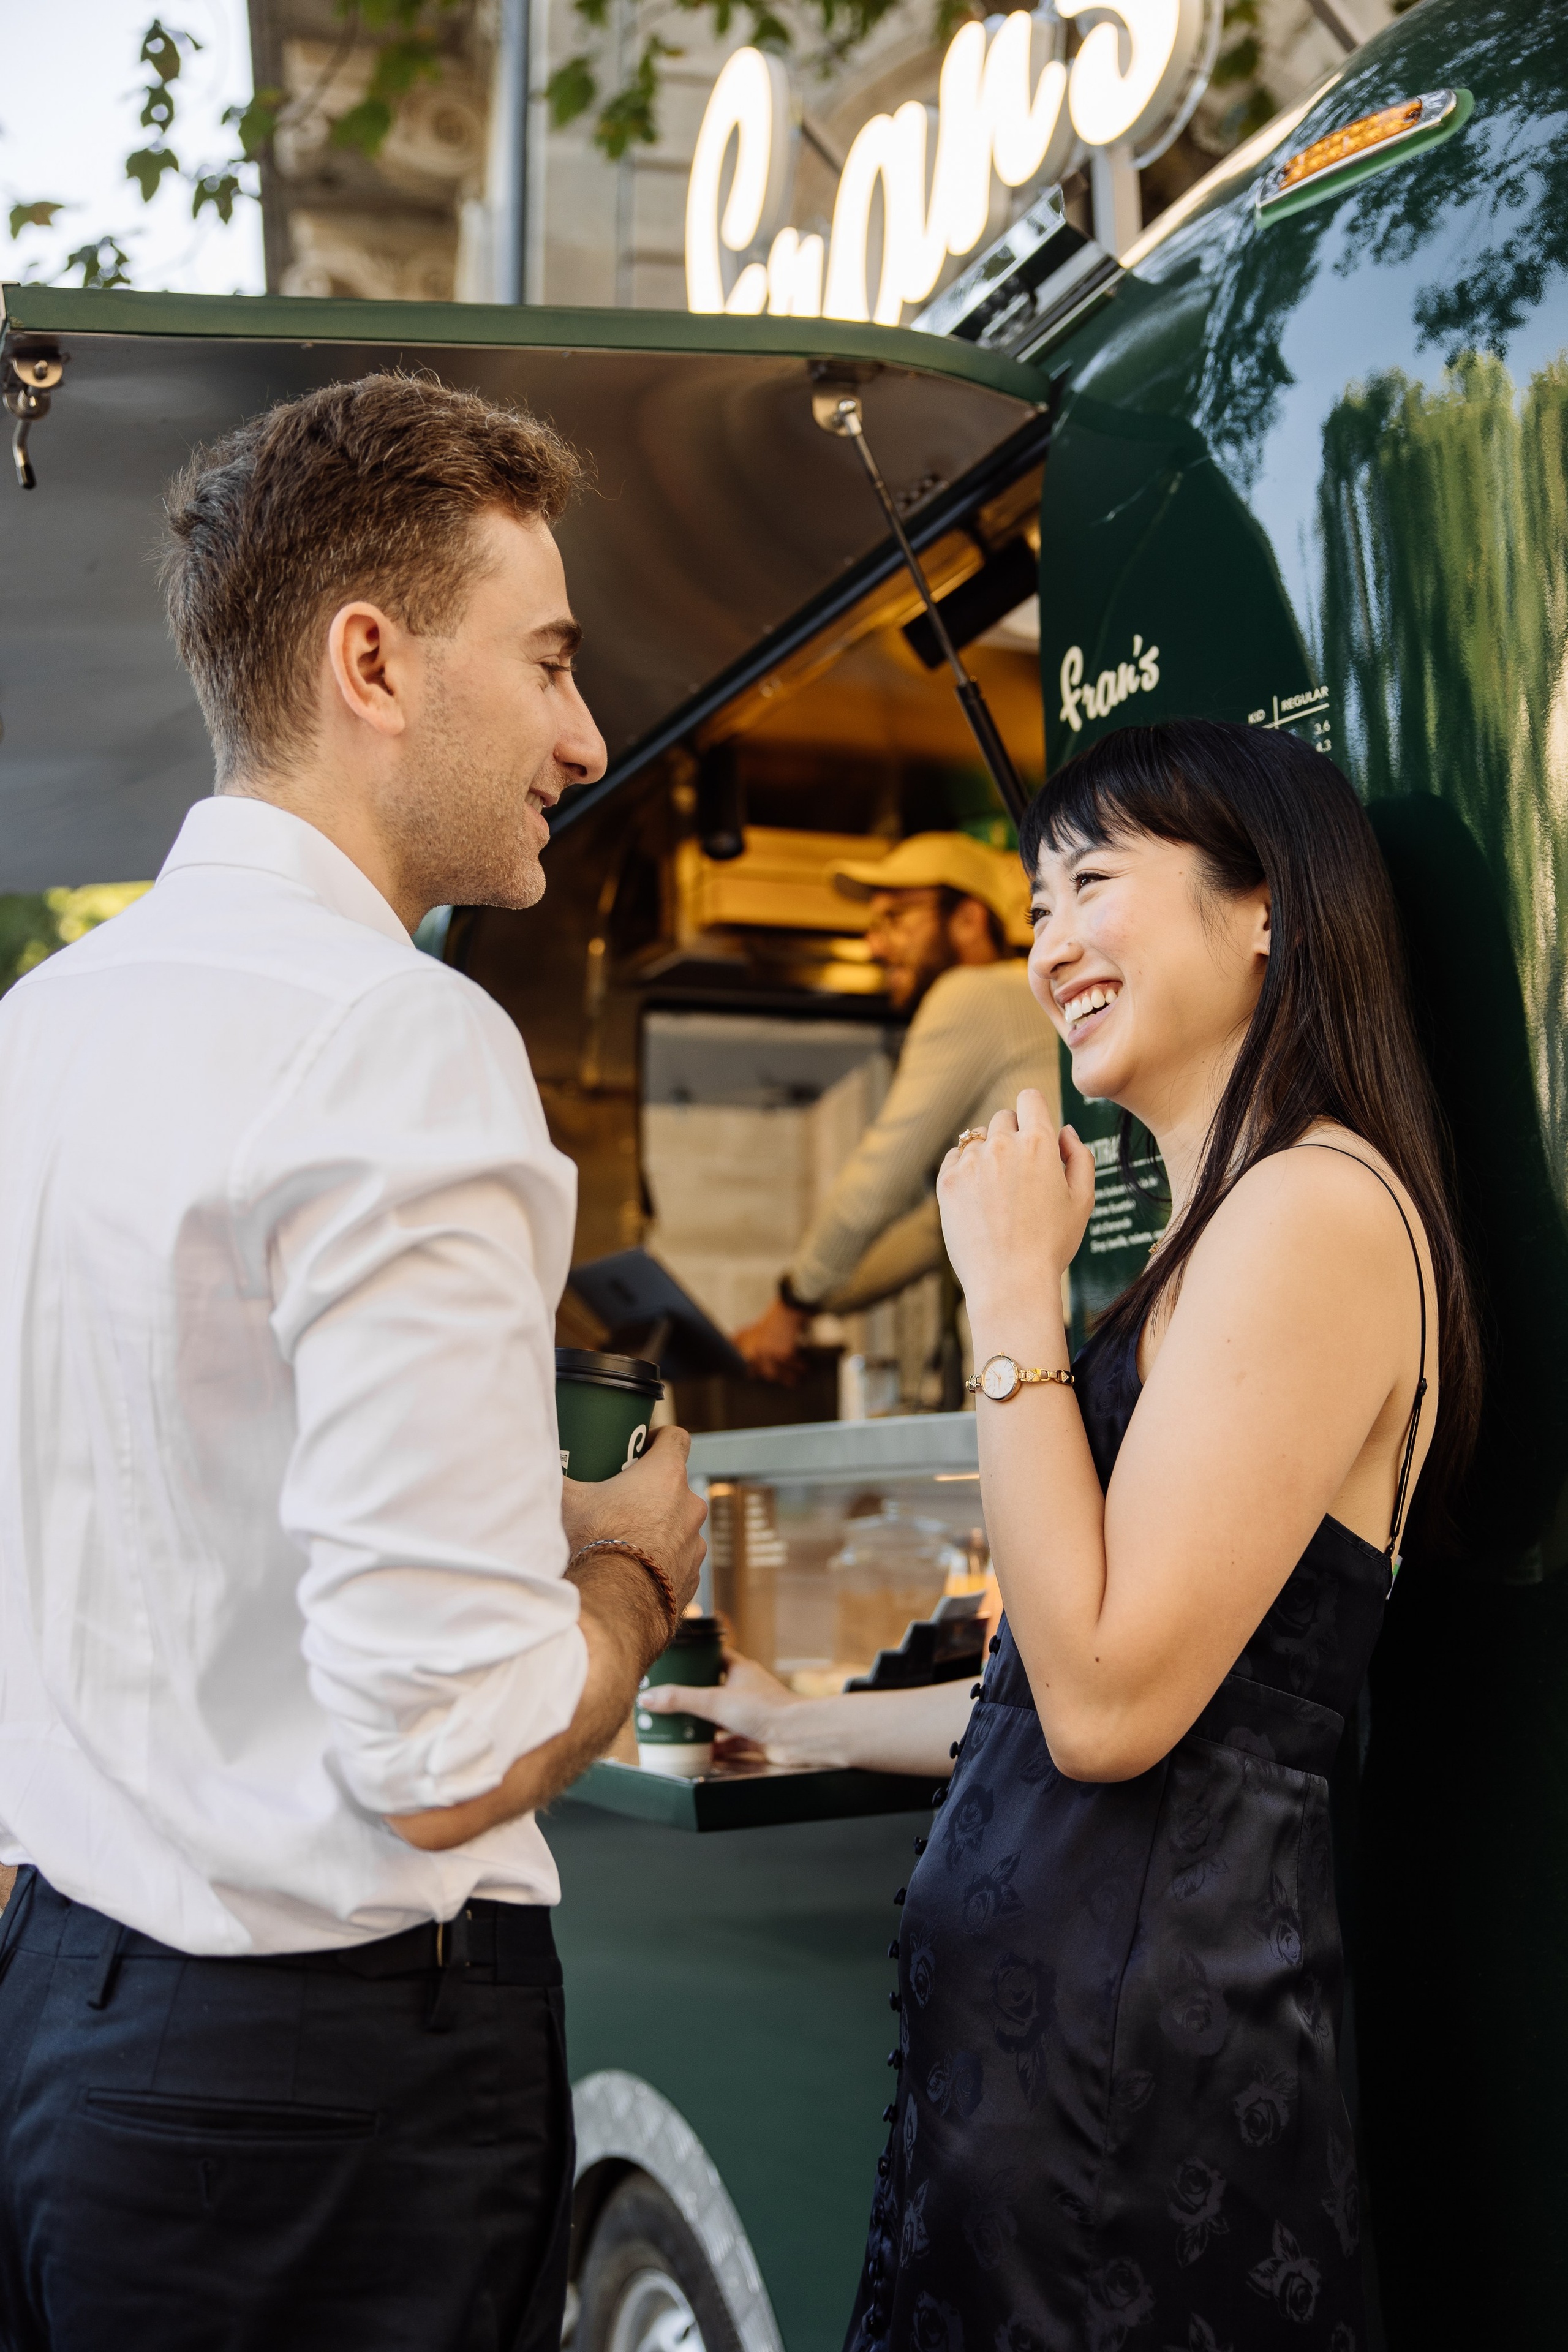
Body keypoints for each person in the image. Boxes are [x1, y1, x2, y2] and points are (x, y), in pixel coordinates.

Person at [0, 375, 707, 2352]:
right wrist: (634, 1572)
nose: (584, 734)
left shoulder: (34, 1036)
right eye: (550, 661)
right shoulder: (401, 1042)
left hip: (68, 2037)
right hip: (320, 2111)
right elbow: (437, 1749)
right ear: (371, 661)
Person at [655, 719, 1481, 2351]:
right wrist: (789, 1718)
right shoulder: (1220, 1229)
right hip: (1060, 2057)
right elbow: (1046, 1679)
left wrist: (1011, 1296)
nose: (1050, 947)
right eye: (1035, 904)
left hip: (1136, 2079)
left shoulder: (1313, 1210)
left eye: (1091, 884)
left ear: (1269, 913)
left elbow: (1106, 1712)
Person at [734, 832, 1058, 1379]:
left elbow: (882, 1176)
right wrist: (812, 1305)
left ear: (969, 920)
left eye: (896, 919)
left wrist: (792, 1303)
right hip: (1058, 1330)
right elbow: (934, 1228)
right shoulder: (1022, 999)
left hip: (1041, 1340)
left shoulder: (973, 994)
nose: (875, 946)